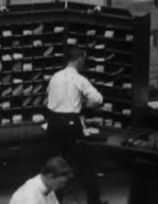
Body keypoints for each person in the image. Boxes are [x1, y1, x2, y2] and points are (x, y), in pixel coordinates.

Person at [46, 46, 106, 204]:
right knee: (85, 163)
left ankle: (55, 202)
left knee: (55, 165)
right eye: (84, 61)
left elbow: (47, 100)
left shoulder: (54, 77)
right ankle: (94, 201)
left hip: (52, 124)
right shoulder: (79, 79)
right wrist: (85, 103)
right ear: (80, 59)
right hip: (70, 124)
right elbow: (99, 99)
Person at [9, 156, 73, 204]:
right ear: (50, 176)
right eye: (60, 183)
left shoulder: (47, 184)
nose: (62, 186)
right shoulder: (30, 198)